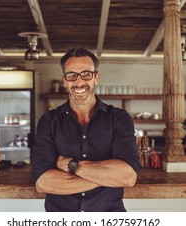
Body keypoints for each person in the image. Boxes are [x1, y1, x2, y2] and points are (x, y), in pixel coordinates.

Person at [32, 48, 140, 212]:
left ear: (96, 77)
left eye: (86, 74)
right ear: (64, 80)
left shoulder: (119, 118)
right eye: (71, 75)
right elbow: (43, 183)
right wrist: (108, 177)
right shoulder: (48, 121)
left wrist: (71, 165)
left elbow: (128, 176)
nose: (79, 81)